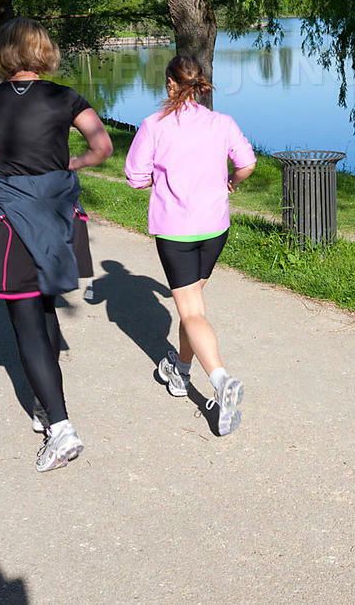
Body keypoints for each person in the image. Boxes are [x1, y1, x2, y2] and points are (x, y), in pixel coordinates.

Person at [0, 17, 112, 471]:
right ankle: (49, 409)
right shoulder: (66, 98)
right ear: (43, 51)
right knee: (45, 309)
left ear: (4, 52)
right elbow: (103, 145)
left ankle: (62, 428)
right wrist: (72, 163)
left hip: (10, 221)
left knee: (27, 320)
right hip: (57, 216)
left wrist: (18, 193)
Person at [124, 56, 256, 435]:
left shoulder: (153, 126)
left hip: (176, 230)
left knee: (192, 312)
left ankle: (221, 381)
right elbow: (247, 164)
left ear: (170, 84)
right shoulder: (222, 123)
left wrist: (162, 181)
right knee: (192, 306)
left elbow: (135, 177)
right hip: (215, 229)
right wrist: (231, 180)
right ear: (199, 85)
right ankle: (180, 371)